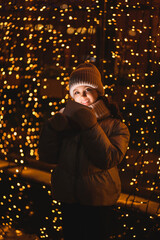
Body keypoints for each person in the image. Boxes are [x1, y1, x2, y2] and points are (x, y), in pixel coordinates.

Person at [39, 62, 130, 240]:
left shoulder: (115, 125)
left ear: (99, 91)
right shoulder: (65, 121)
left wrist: (90, 127)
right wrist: (51, 129)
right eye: (76, 92)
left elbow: (109, 159)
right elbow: (48, 156)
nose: (83, 96)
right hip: (69, 197)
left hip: (97, 199)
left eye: (88, 89)